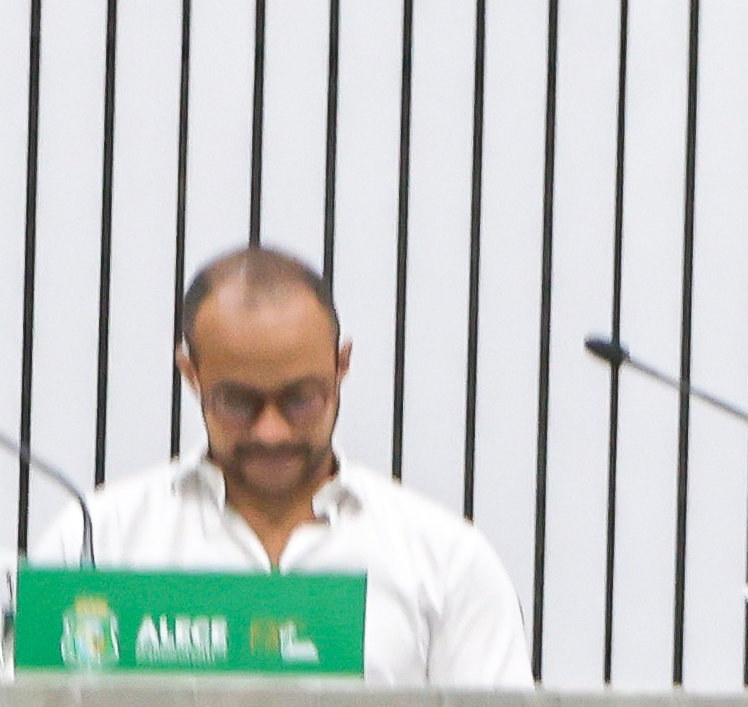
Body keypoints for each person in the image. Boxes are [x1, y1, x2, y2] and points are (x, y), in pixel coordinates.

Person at [69, 246, 530, 683]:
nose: (272, 432)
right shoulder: (98, 539)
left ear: (341, 366)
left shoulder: (445, 561)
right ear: (191, 375)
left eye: (301, 399)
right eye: (239, 402)